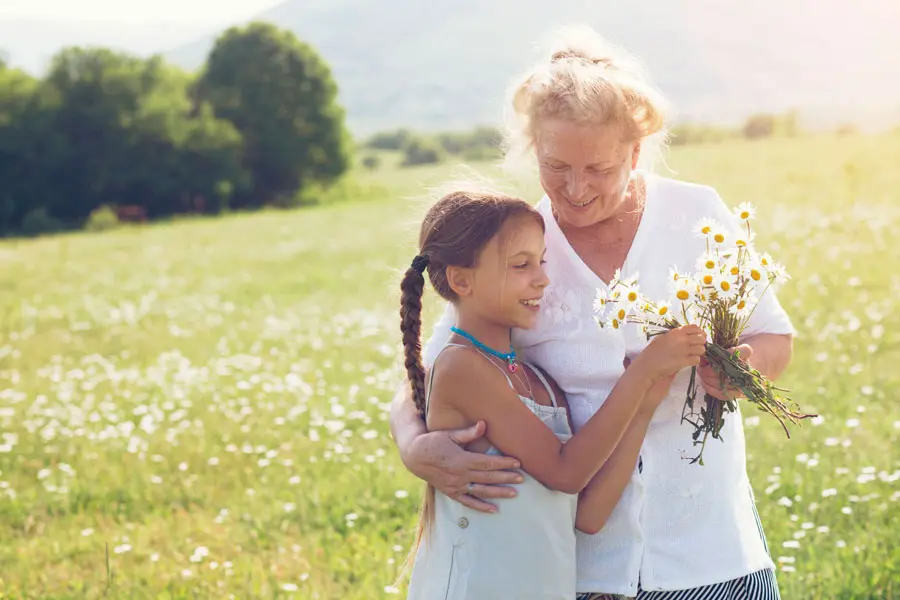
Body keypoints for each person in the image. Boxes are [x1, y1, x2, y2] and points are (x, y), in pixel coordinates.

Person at [390, 25, 795, 600]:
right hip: (580, 568)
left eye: (599, 170)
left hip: (710, 551)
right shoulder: (517, 249)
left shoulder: (697, 214)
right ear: (534, 149)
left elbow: (774, 336)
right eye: (556, 167)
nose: (575, 189)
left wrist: (741, 367)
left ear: (635, 151)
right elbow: (431, 369)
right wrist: (415, 447)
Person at [399, 186, 705, 599]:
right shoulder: (461, 366)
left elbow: (589, 515)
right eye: (521, 265)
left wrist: (646, 402)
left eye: (541, 261)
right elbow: (565, 472)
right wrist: (641, 373)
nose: (542, 278)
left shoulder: (538, 382)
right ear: (460, 280)